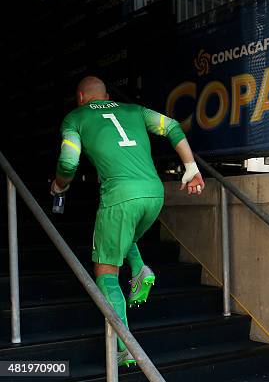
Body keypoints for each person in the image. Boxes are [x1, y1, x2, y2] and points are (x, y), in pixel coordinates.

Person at [50, 76, 205, 367]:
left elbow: (69, 161)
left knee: (106, 272)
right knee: (123, 236)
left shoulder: (76, 117)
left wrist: (60, 185)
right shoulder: (134, 110)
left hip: (120, 197)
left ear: (81, 97)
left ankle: (125, 348)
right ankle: (138, 268)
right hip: (153, 193)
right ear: (107, 95)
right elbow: (172, 126)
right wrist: (191, 168)